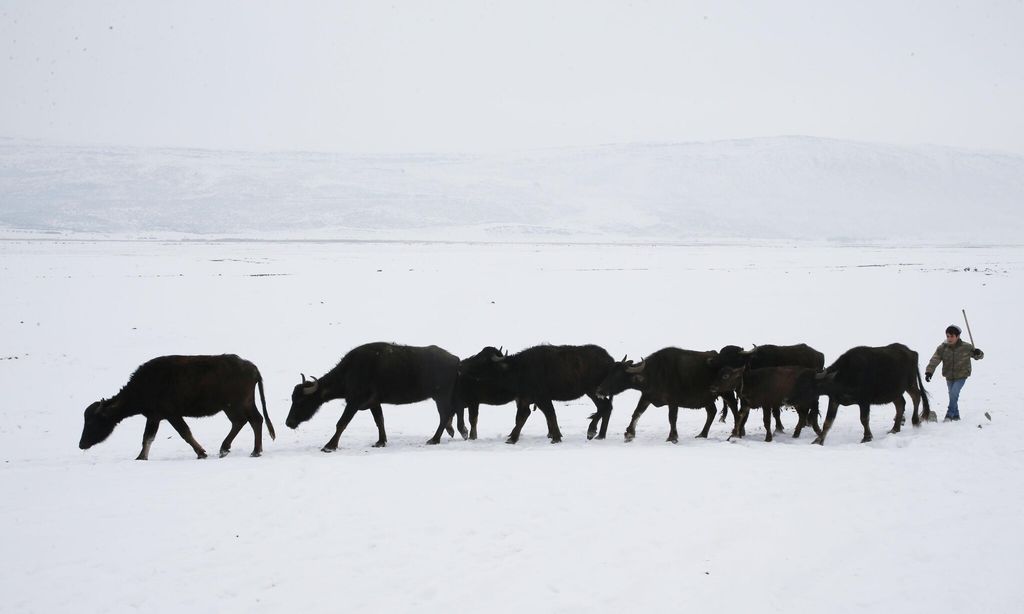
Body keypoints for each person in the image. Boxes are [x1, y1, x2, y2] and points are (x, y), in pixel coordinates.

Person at [925, 325, 983, 421]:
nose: (949, 338)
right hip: (949, 376)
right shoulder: (942, 348)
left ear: (958, 336)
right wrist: (929, 372)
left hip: (962, 375)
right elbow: (935, 360)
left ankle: (949, 415)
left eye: (952, 336)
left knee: (954, 393)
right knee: (952, 395)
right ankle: (956, 416)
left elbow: (978, 357)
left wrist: (978, 353)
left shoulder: (966, 347)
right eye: (948, 336)